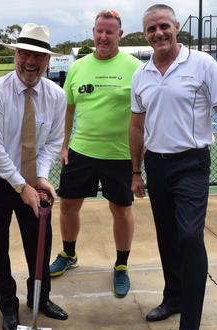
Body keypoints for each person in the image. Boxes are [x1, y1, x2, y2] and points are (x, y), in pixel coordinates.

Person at [129, 4, 217, 330]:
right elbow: (136, 125)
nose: (158, 33)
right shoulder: (142, 74)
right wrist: (136, 171)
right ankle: (173, 297)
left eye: (164, 26)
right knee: (168, 236)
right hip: (157, 167)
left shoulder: (202, 64)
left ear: (176, 27)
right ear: (144, 34)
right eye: (151, 29)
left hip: (192, 164)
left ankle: (190, 327)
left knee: (191, 237)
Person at [0, 23, 68, 330]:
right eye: (25, 53)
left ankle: (40, 299)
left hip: (30, 178)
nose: (31, 61)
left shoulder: (55, 96)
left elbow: (53, 141)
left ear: (48, 61)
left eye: (38, 56)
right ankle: (9, 307)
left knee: (40, 244)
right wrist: (22, 186)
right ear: (15, 54)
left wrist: (39, 177)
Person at [50, 9, 143, 299]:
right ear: (93, 32)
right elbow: (68, 108)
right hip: (81, 153)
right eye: (99, 31)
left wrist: (139, 158)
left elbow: (145, 114)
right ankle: (69, 254)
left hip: (120, 156)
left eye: (110, 32)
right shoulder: (78, 68)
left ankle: (121, 265)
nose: (104, 37)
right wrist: (64, 145)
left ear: (120, 34)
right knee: (67, 206)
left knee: (121, 210)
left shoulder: (136, 68)